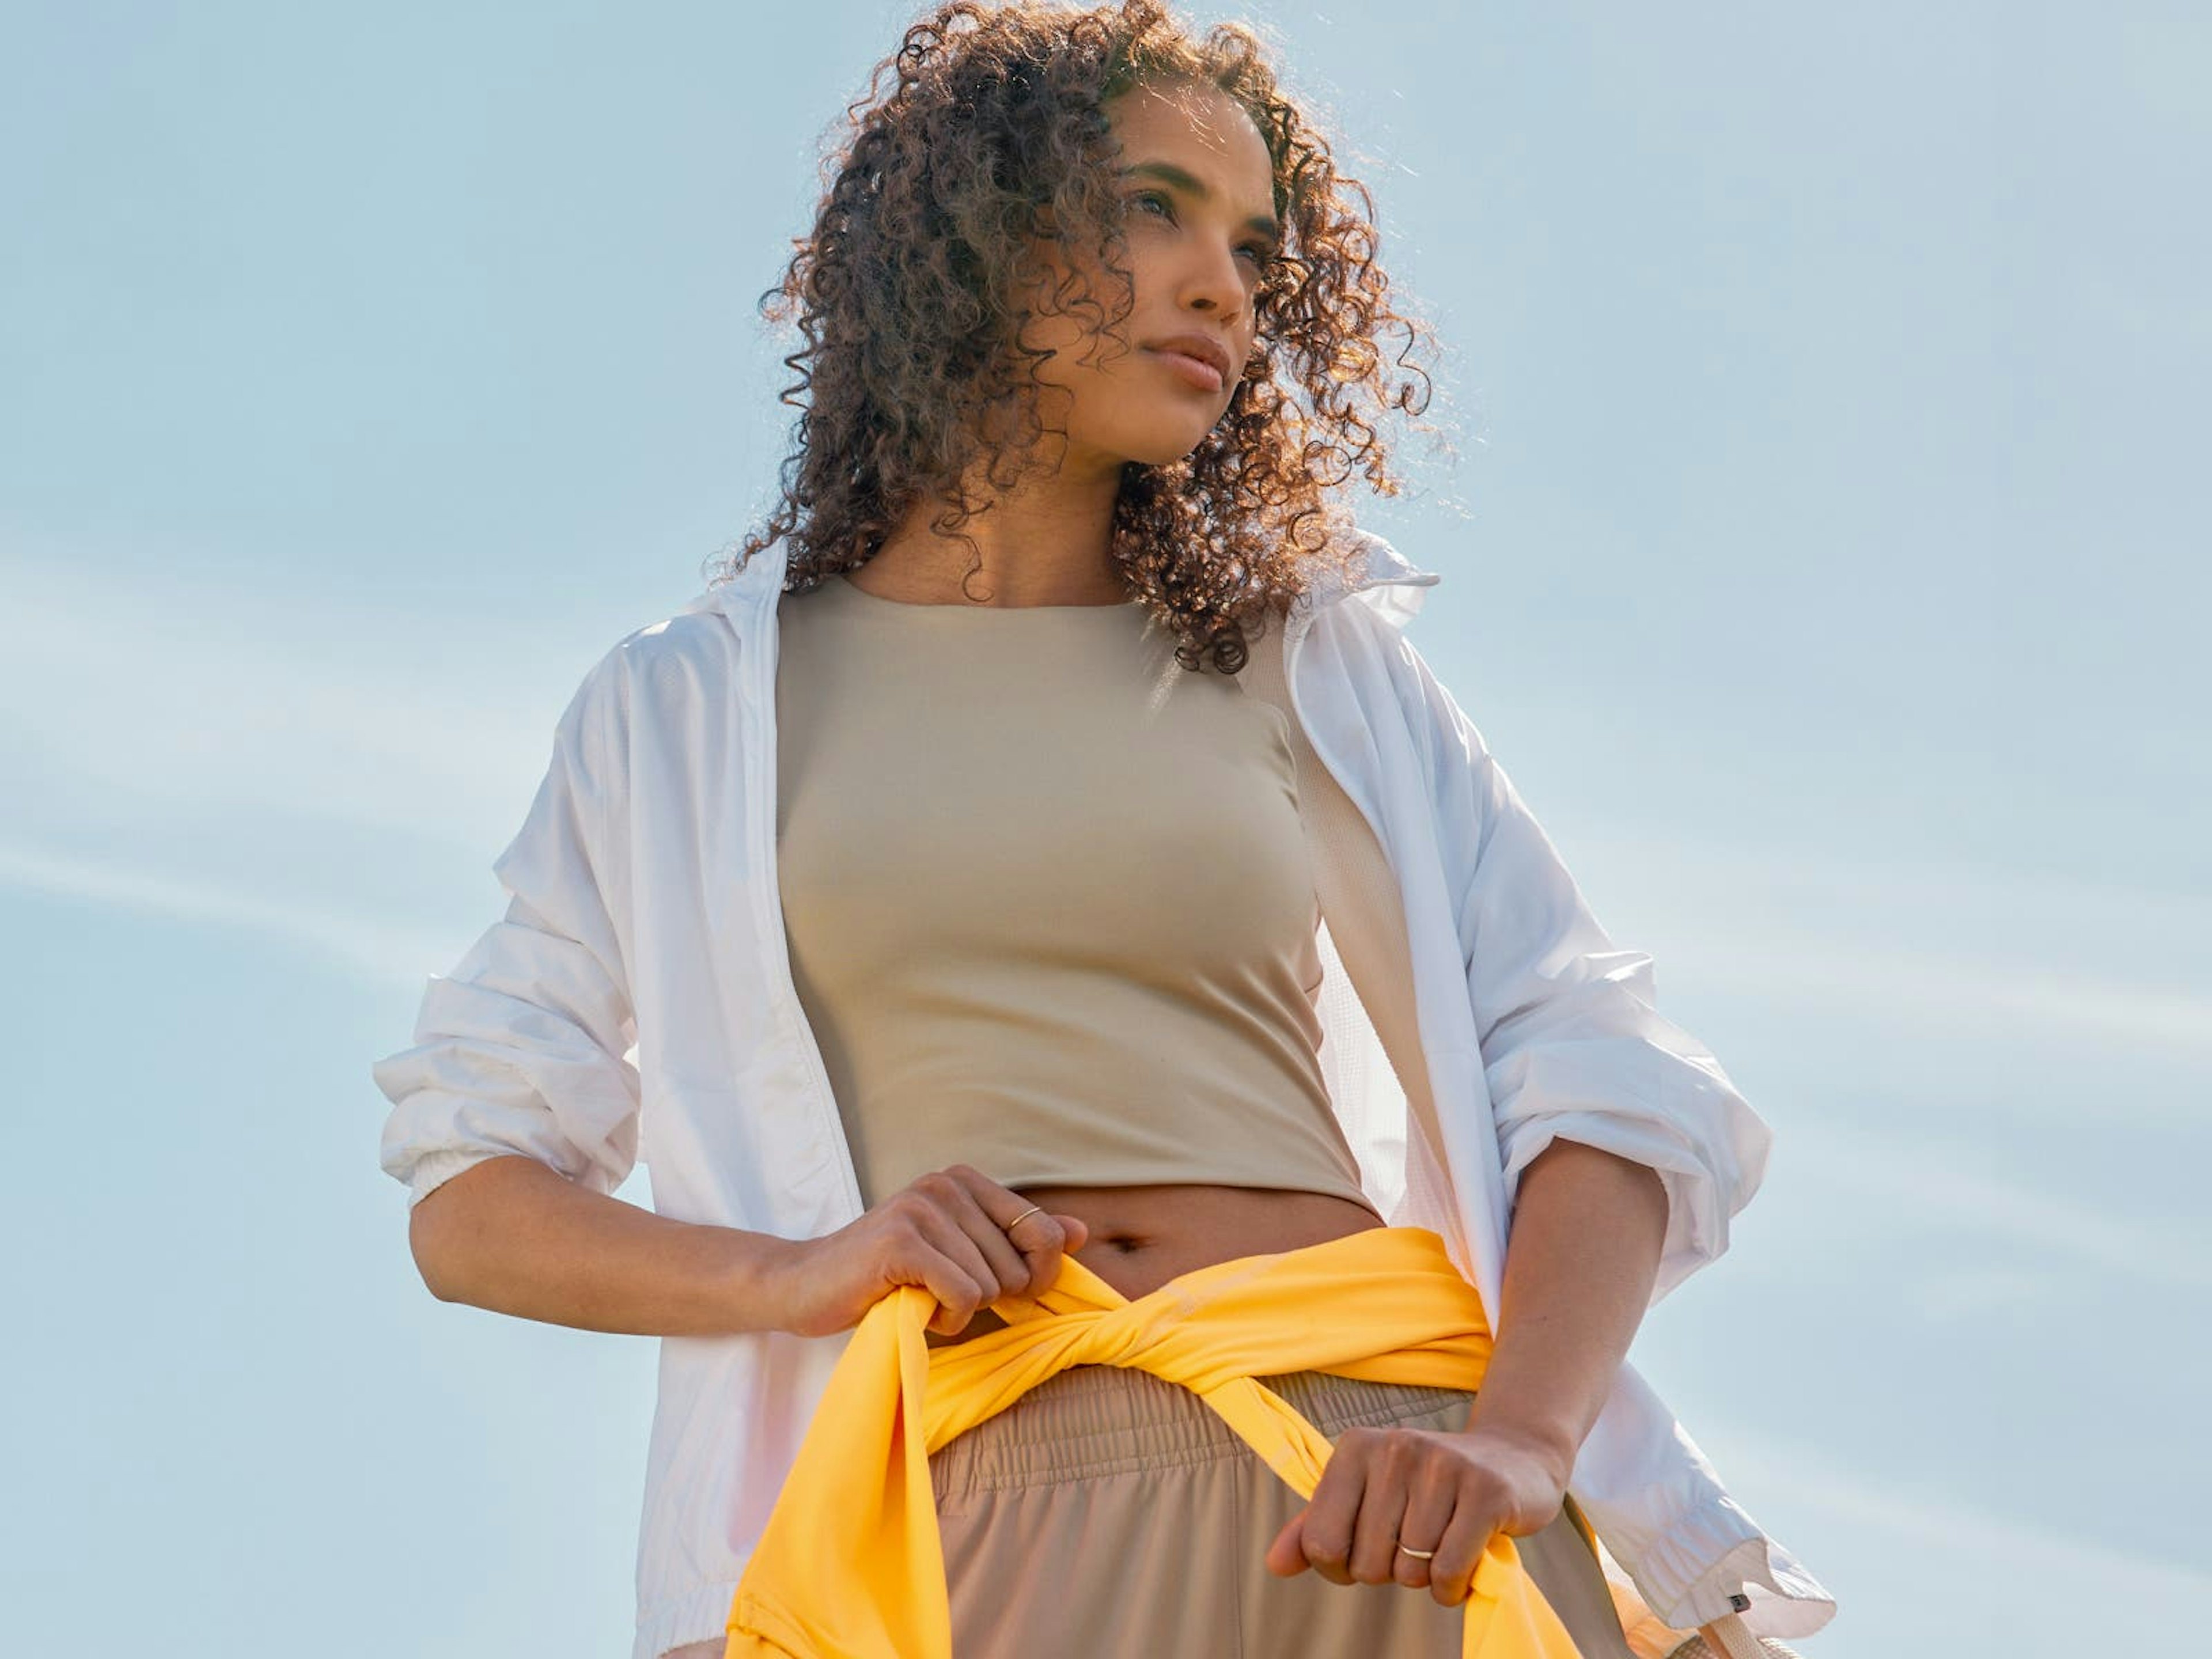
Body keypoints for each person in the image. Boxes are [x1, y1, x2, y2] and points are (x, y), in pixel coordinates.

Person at [371, 4, 1835, 1656]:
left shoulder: (1315, 661)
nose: (1222, 284)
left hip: (1379, 1485)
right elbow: (473, 1193)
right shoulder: (685, 708)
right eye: (1154, 209)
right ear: (979, 238)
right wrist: (796, 1276)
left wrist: (1520, 1438)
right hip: (969, 1515)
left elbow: (1612, 1086)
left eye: (1252, 244)